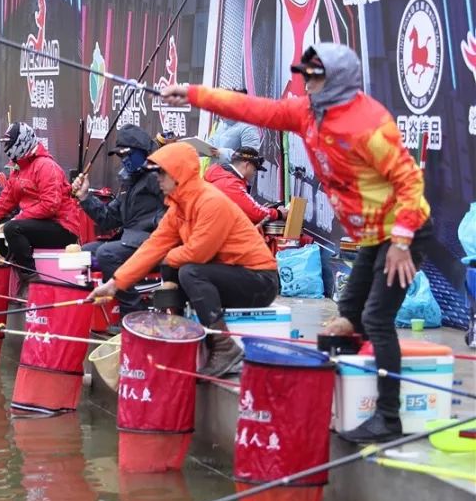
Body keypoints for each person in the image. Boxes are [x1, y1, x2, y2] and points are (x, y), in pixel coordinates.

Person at [162, 42, 433, 443]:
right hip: (375, 235)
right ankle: (341, 402)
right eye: (305, 75)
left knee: (375, 318)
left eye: (315, 76)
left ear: (337, 79)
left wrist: (403, 241)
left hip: (401, 234)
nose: (306, 83)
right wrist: (194, 93)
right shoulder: (306, 114)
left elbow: (410, 183)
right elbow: (254, 109)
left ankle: (388, 419)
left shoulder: (371, 126)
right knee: (346, 315)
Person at [88, 142, 279, 377]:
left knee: (188, 270)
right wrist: (114, 285)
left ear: (178, 173)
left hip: (260, 281)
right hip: (231, 275)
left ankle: (224, 347)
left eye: (162, 172)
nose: (157, 179)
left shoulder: (210, 202)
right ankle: (176, 337)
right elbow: (152, 247)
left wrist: (167, 257)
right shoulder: (179, 208)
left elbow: (198, 253)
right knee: (176, 267)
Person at [0, 122, 81, 282]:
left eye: (9, 143)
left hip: (62, 227)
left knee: (12, 228)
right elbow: (2, 204)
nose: (6, 147)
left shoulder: (46, 166)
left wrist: (18, 218)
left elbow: (50, 206)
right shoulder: (18, 169)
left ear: (20, 142)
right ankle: (13, 265)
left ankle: (30, 277)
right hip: (36, 223)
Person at [70, 124, 165, 315]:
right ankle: (96, 313)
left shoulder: (158, 177)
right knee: (83, 253)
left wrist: (158, 229)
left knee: (106, 253)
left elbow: (175, 211)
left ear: (141, 152)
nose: (125, 161)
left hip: (153, 244)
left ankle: (134, 312)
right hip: (128, 240)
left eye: (127, 155)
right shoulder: (129, 182)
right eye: (121, 156)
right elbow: (108, 219)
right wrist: (85, 196)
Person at [204, 147, 287, 225]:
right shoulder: (231, 183)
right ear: (247, 165)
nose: (254, 174)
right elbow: (255, 212)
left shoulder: (223, 177)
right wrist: (279, 213)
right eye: (254, 169)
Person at [205, 88, 262, 162]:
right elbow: (212, 144)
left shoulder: (248, 127)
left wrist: (224, 153)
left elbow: (251, 157)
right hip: (215, 172)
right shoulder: (220, 125)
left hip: (232, 173)